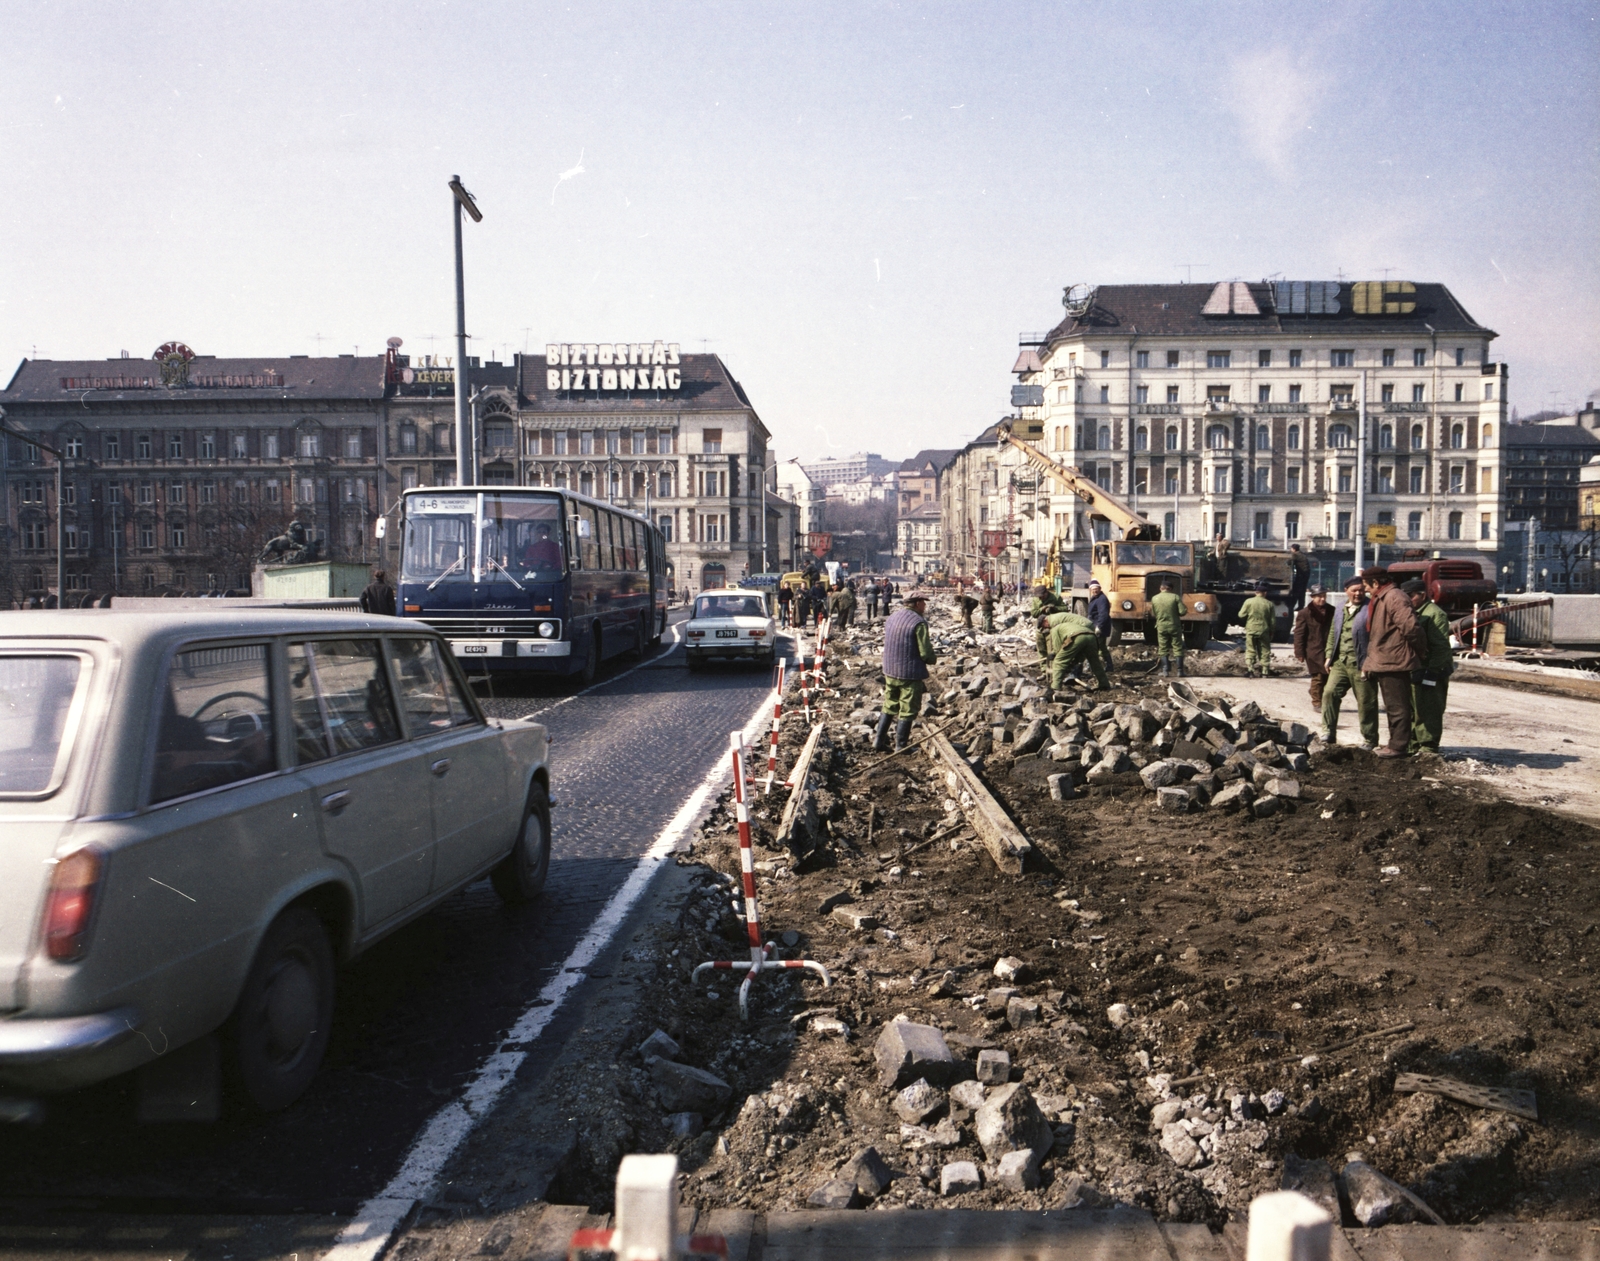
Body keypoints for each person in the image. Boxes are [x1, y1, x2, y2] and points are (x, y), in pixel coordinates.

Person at [1359, 567, 1424, 758]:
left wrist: (1420, 651)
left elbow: (1411, 627)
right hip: (1387, 659)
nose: (1366, 590)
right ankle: (1396, 744)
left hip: (1394, 660)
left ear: (1376, 583)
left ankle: (1397, 746)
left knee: (1397, 706)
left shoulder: (1394, 597)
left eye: (1366, 586)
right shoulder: (1385, 597)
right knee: (1393, 706)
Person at [875, 591, 937, 751]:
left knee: (889, 703)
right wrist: (932, 659)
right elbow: (925, 652)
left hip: (890, 670)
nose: (925, 605)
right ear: (917, 603)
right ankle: (901, 746)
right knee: (908, 707)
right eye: (923, 602)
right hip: (909, 672)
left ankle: (878, 741)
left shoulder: (892, 617)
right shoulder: (918, 622)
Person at [1321, 578, 1378, 747]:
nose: (1358, 593)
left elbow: (1377, 637)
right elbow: (1334, 631)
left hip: (1362, 663)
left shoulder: (1372, 608)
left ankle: (1370, 739)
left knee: (1366, 702)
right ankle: (1328, 732)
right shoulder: (1340, 607)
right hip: (1340, 662)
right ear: (1346, 590)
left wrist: (1371, 662)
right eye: (1354, 590)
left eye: (1361, 590)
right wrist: (1329, 655)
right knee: (1329, 693)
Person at [1403, 578, 1453, 755]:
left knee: (1429, 709)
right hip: (1417, 669)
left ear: (1422, 595)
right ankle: (1414, 744)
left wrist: (1432, 672)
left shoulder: (1434, 614)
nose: (1408, 600)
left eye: (1411, 596)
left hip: (1433, 670)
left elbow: (1441, 647)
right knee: (1416, 708)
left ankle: (1428, 747)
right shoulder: (1414, 612)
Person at [1044, 610, 1110, 691]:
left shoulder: (1054, 629)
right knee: (1095, 662)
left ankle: (1055, 687)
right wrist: (1073, 662)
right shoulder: (1070, 624)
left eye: (1043, 627)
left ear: (1045, 622)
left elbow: (1057, 648)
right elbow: (1078, 653)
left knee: (1059, 661)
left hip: (1077, 637)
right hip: (1091, 636)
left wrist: (1054, 654)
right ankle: (1104, 684)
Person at [1292, 584, 1334, 708]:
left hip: (1329, 649)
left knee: (1328, 677)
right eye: (1319, 597)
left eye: (1324, 596)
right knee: (1318, 676)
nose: (1322, 599)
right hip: (1313, 650)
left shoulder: (1332, 611)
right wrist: (1299, 653)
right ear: (1312, 597)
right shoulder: (1305, 613)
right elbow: (1299, 634)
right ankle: (1317, 702)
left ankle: (1315, 692)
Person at [1239, 580, 1278, 677]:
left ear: (1256, 592)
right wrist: (1272, 631)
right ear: (1265, 593)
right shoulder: (1269, 604)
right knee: (1265, 650)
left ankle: (1250, 670)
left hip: (1251, 629)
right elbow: (1273, 621)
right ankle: (1265, 671)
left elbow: (1241, 615)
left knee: (1250, 649)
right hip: (1264, 630)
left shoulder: (1248, 602)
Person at [1150, 577, 1186, 677]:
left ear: (1161, 588)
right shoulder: (1175, 597)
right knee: (1177, 647)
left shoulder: (1154, 598)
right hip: (1174, 626)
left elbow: (1153, 613)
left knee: (1163, 648)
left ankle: (1165, 671)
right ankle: (1180, 671)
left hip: (1161, 626)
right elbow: (1182, 612)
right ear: (1170, 589)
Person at [1029, 582, 1066, 667]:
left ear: (1046, 593)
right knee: (1041, 650)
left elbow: (1065, 609)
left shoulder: (1055, 598)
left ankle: (1052, 671)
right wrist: (1042, 609)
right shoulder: (1036, 600)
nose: (1041, 598)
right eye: (1039, 597)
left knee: (1051, 651)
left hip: (1052, 628)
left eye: (1042, 596)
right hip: (1040, 627)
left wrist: (1054, 608)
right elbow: (1034, 613)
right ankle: (1043, 670)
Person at [1288, 543, 1311, 612]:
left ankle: (1292, 605)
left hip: (1301, 575)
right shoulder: (1302, 554)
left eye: (1291, 549)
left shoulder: (1295, 555)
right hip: (1305, 575)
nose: (1290, 550)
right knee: (1302, 591)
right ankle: (1300, 606)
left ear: (1294, 549)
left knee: (1296, 590)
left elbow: (1289, 562)